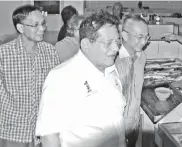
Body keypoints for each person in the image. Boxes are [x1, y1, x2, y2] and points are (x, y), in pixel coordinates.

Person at [36, 11, 126, 147]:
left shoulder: (111, 71)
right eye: (108, 43)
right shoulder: (61, 77)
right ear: (86, 45)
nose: (115, 48)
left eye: (117, 42)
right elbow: (49, 137)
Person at [0, 5, 60, 147]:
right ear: (21, 28)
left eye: (43, 23)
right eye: (35, 25)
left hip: (42, 129)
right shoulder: (2, 55)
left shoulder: (50, 52)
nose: (42, 28)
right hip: (13, 131)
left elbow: (56, 87)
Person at [116, 15, 149, 147]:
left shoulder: (142, 56)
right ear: (124, 35)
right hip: (116, 129)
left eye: (147, 37)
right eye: (140, 37)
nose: (144, 42)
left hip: (134, 124)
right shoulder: (113, 59)